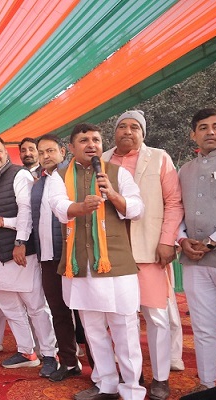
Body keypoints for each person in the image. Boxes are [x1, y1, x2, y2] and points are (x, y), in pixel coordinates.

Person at [47, 123, 145, 400]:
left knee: (125, 329)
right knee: (92, 330)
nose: (91, 144)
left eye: (96, 139)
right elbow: (57, 205)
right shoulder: (59, 176)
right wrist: (80, 207)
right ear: (71, 147)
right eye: (84, 140)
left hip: (116, 264)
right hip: (80, 264)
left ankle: (133, 390)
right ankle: (106, 385)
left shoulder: (118, 173)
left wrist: (112, 194)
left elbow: (137, 208)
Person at [103, 110, 184, 400]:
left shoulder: (159, 158)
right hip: (112, 252)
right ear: (114, 132)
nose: (128, 131)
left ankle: (160, 378)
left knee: (156, 316)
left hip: (149, 249)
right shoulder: (102, 160)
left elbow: (174, 202)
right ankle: (131, 374)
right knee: (120, 318)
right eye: (122, 126)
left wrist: (167, 241)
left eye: (134, 127)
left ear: (143, 133)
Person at [0, 135, 58, 377]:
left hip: (18, 250)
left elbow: (27, 211)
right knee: (9, 306)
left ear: (6, 152)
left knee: (35, 305)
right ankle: (26, 352)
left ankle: (50, 354)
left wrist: (20, 241)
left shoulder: (19, 174)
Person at [31, 134, 90, 382]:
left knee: (86, 313)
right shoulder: (38, 184)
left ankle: (99, 366)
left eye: (50, 150)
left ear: (63, 152)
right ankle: (69, 362)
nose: (45, 156)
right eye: (41, 152)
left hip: (72, 254)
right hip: (47, 257)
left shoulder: (73, 176)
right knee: (59, 311)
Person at [177, 107, 216, 393]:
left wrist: (211, 241)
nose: (211, 132)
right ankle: (207, 385)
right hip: (194, 260)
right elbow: (177, 209)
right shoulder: (184, 170)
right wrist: (182, 239)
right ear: (193, 134)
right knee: (203, 327)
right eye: (203, 127)